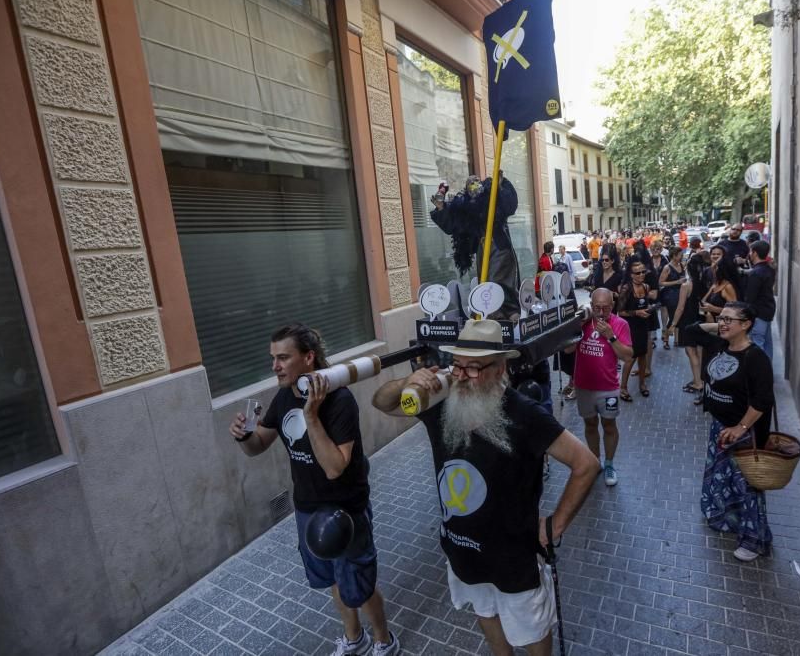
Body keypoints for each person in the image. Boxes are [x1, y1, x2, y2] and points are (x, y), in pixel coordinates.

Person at [372, 320, 600, 655]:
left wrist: (555, 525)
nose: (462, 376)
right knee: (485, 613)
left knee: (532, 632)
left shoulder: (525, 414)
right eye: (458, 365)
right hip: (462, 551)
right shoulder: (440, 402)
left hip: (513, 558)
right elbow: (382, 402)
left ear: (500, 367)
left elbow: (586, 463)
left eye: (474, 368)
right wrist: (406, 382)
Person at [229, 324, 399, 656]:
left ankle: (383, 640)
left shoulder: (339, 401)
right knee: (334, 580)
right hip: (308, 508)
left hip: (346, 508)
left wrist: (312, 416)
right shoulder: (284, 396)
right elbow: (258, 446)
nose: (274, 366)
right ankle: (354, 639)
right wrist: (244, 436)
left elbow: (335, 467)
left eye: (282, 358)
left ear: (308, 358)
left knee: (359, 587)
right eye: (272, 358)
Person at [684, 303, 775, 562]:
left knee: (747, 487)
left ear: (746, 324)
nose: (722, 323)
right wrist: (723, 327)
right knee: (722, 480)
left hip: (744, 433)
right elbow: (690, 331)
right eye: (721, 319)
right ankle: (728, 519)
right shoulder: (721, 345)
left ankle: (753, 540)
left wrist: (741, 428)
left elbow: (762, 400)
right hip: (720, 427)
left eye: (729, 320)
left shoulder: (756, 358)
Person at [564, 288, 633, 486]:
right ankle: (595, 462)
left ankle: (609, 464)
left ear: (612, 306)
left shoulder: (620, 324)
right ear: (591, 305)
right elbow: (568, 349)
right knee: (590, 424)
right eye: (597, 308)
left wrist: (611, 336)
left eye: (605, 308)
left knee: (609, 425)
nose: (601, 312)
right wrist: (575, 326)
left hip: (608, 387)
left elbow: (627, 356)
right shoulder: (584, 323)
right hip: (584, 386)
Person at [432, 174, 521, 319]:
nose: (473, 183)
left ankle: (504, 315)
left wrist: (501, 184)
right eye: (470, 182)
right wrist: (441, 208)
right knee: (485, 281)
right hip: (482, 247)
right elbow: (453, 226)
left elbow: (510, 205)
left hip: (499, 246)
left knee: (497, 281)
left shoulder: (493, 198)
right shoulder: (466, 207)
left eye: (476, 180)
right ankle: (492, 316)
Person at [667, 253, 709, 401]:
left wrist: (672, 325)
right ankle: (701, 379)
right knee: (700, 351)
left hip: (688, 322)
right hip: (702, 320)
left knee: (691, 352)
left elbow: (680, 307)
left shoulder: (686, 285)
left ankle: (698, 382)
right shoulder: (706, 283)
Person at [617, 263, 655, 398]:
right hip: (630, 327)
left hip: (643, 325)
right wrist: (636, 313)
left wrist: (649, 309)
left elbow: (645, 304)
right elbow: (620, 312)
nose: (641, 275)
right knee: (630, 357)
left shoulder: (646, 287)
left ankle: (642, 384)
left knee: (643, 354)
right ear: (631, 275)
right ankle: (623, 388)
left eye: (643, 272)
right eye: (637, 273)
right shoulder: (626, 288)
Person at [744, 240, 776, 360]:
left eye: (750, 251)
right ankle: (767, 373)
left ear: (755, 253)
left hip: (759, 312)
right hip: (768, 309)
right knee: (767, 343)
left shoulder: (756, 273)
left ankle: (761, 375)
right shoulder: (769, 268)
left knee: (757, 343)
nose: (749, 254)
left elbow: (750, 298)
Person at [658, 246, 685, 350]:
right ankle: (666, 340)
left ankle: (677, 340)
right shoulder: (667, 267)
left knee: (679, 316)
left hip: (680, 293)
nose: (682, 256)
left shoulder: (681, 265)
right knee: (673, 316)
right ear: (674, 256)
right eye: (680, 255)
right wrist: (676, 282)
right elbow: (660, 282)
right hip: (670, 294)